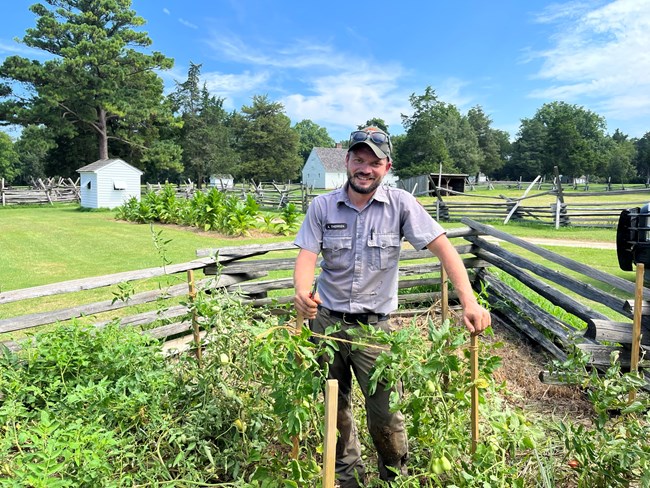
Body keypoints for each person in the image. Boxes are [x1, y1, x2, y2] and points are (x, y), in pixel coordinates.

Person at [293, 126, 491, 487]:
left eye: (374, 162)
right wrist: (302, 292)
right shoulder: (322, 206)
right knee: (334, 409)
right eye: (358, 159)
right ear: (348, 161)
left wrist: (470, 301)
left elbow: (444, 248)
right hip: (326, 325)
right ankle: (348, 478)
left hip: (374, 329)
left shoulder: (401, 204)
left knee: (386, 414)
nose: (364, 168)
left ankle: (393, 477)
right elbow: (307, 255)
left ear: (387, 167)